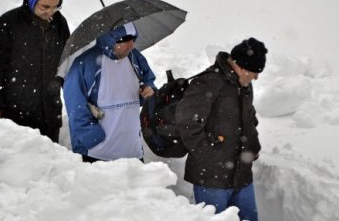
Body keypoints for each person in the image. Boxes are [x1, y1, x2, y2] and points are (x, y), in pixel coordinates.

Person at [175, 38, 267, 220]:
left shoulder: (245, 85)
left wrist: (253, 147)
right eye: (254, 72)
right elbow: (187, 124)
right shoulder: (208, 82)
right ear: (239, 66)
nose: (256, 77)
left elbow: (249, 119)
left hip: (242, 175)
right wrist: (210, 157)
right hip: (211, 179)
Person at [0, 0, 70, 143]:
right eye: (45, 6)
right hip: (17, 111)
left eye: (55, 7)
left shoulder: (60, 23)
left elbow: (66, 61)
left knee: (52, 164)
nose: (50, 12)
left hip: (50, 111)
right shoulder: (8, 23)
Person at [63, 22, 156, 163]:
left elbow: (148, 80)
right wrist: (91, 138)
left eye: (133, 40)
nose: (131, 46)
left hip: (133, 150)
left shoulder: (134, 57)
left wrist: (148, 89)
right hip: (98, 152)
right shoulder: (85, 63)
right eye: (125, 41)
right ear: (110, 39)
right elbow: (74, 104)